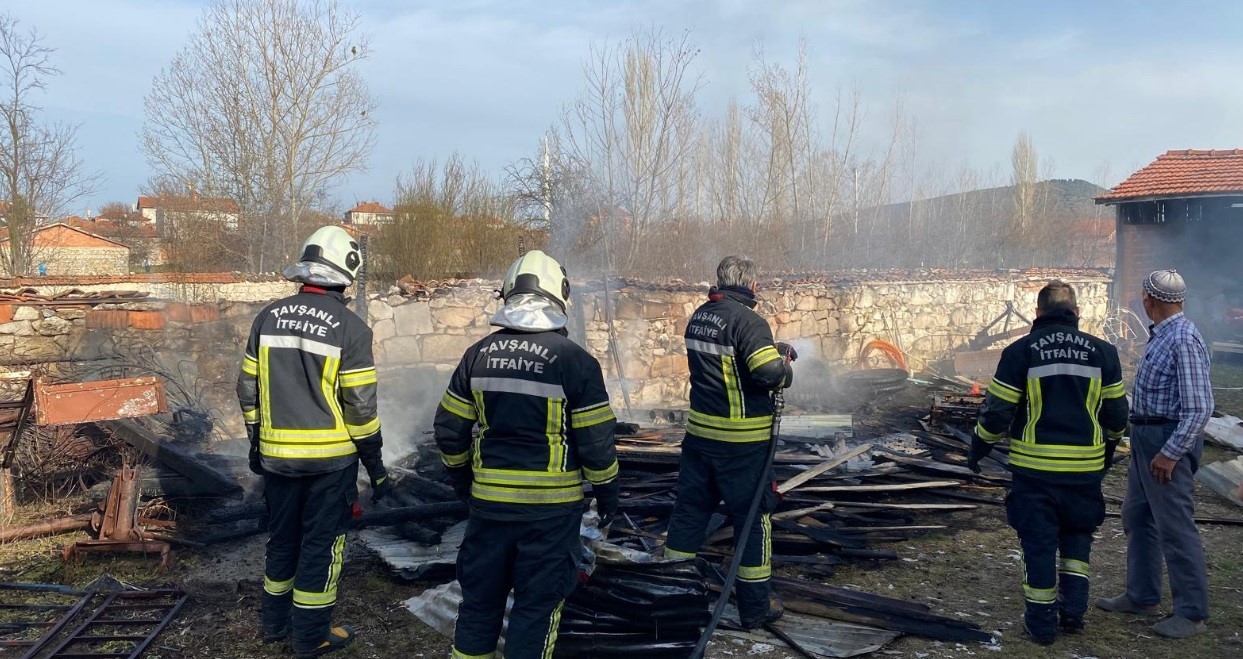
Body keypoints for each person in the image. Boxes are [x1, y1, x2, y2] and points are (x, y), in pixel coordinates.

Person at [434, 250, 619, 659]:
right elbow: (596, 443)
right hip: (549, 516)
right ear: (559, 295)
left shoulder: (477, 355)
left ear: (508, 294)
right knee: (535, 612)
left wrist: (464, 483)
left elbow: (449, 432)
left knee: (479, 604)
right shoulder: (576, 361)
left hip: (489, 510)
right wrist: (608, 494)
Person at [236, 225, 390, 657]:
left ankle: (273, 625)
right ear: (346, 272)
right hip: (329, 464)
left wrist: (256, 441)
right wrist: (376, 466)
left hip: (277, 459)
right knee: (322, 547)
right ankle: (311, 637)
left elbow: (247, 389)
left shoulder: (267, 317)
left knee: (282, 539)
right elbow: (360, 407)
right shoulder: (351, 327)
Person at [969, 280, 1128, 645]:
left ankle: (1041, 627)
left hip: (1035, 472)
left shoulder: (1020, 351)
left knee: (1039, 544)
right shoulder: (1104, 352)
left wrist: (979, 445)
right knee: (1077, 540)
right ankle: (1073, 614)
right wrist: (1107, 448)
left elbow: (997, 413)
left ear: (1037, 314)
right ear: (1076, 313)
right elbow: (1118, 414)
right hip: (1084, 472)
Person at [663, 255, 795, 629]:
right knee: (753, 521)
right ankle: (755, 608)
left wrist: (768, 348)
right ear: (752, 286)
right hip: (742, 446)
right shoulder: (750, 321)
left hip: (700, 439)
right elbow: (767, 373)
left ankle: (672, 595)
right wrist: (784, 367)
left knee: (689, 514)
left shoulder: (701, 316)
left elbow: (733, 362)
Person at [1096, 269, 1214, 639]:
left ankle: (1191, 612)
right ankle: (1142, 594)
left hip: (1167, 440)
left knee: (1174, 526)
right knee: (1137, 515)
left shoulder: (1182, 338)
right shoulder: (1162, 335)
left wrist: (1170, 453)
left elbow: (1199, 408)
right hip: (1146, 437)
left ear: (1150, 301)